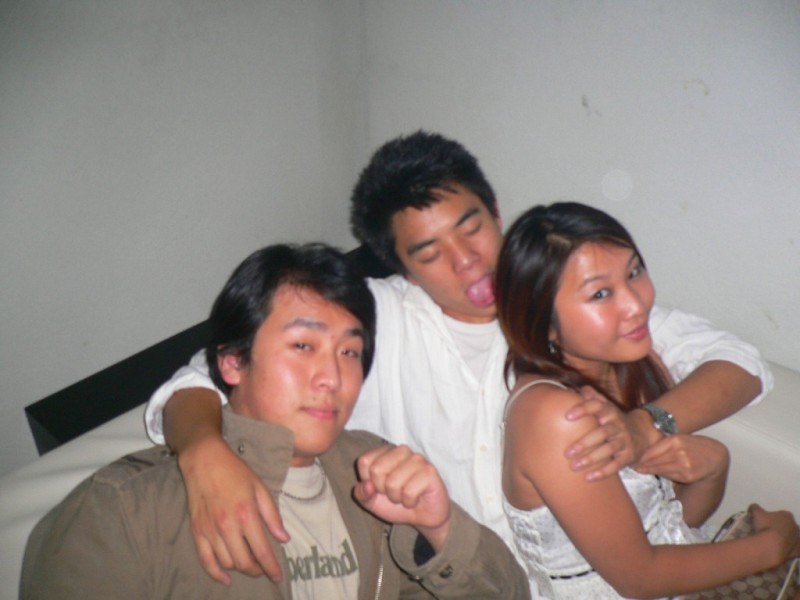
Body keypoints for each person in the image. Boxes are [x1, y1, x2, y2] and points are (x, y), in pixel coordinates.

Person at [143, 132, 773, 589]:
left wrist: (647, 425)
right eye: (429, 252)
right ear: (401, 268)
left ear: (496, 213)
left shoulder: (567, 303)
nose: (466, 261)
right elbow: (200, 379)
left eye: (471, 227)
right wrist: (204, 452)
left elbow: (738, 362)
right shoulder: (376, 318)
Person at [20, 243, 529, 599]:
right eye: (303, 345)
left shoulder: (373, 478)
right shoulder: (120, 510)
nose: (332, 376)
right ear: (231, 363)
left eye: (350, 352)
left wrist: (442, 530)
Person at [497, 202, 799, 598]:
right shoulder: (554, 416)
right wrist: (772, 548)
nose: (636, 305)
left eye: (634, 272)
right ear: (544, 323)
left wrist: (711, 473)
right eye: (600, 293)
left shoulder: (631, 366)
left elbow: (666, 528)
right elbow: (639, 577)